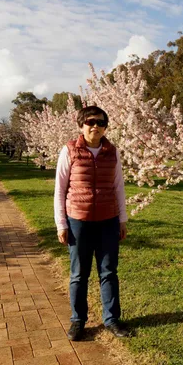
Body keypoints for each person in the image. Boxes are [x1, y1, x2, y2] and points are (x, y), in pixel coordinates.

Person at [54, 106, 129, 341]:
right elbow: (60, 189)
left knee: (109, 272)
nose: (95, 126)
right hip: (78, 221)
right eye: (90, 122)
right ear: (81, 125)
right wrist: (61, 224)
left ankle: (112, 319)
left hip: (108, 220)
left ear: (106, 126)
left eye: (100, 122)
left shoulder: (112, 152)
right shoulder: (69, 151)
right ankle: (78, 320)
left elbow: (118, 187)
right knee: (79, 274)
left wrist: (122, 220)